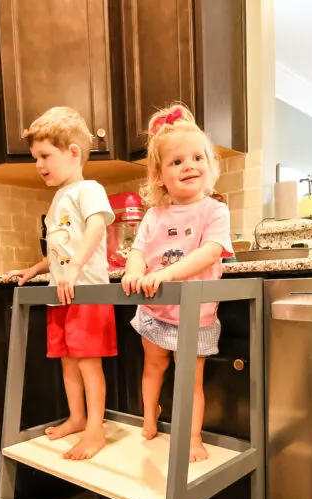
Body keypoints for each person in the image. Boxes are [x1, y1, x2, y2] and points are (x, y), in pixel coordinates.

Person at [120, 104, 233, 463]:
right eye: (177, 161)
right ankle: (150, 416)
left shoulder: (214, 210)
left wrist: (165, 274)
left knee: (190, 381)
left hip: (195, 315)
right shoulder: (154, 215)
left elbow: (212, 251)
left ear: (209, 165)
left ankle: (193, 437)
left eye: (197, 157)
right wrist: (132, 271)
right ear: (159, 176)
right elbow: (137, 250)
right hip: (155, 310)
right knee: (153, 366)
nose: (189, 166)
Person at [7, 107, 116, 460]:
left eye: (44, 156)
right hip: (61, 296)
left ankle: (96, 430)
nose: (39, 164)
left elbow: (98, 228)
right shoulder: (57, 199)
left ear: (72, 152)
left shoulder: (90, 189)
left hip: (87, 294)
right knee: (68, 362)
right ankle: (78, 418)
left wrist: (75, 269)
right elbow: (59, 254)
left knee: (88, 363)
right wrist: (35, 270)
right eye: (35, 157)